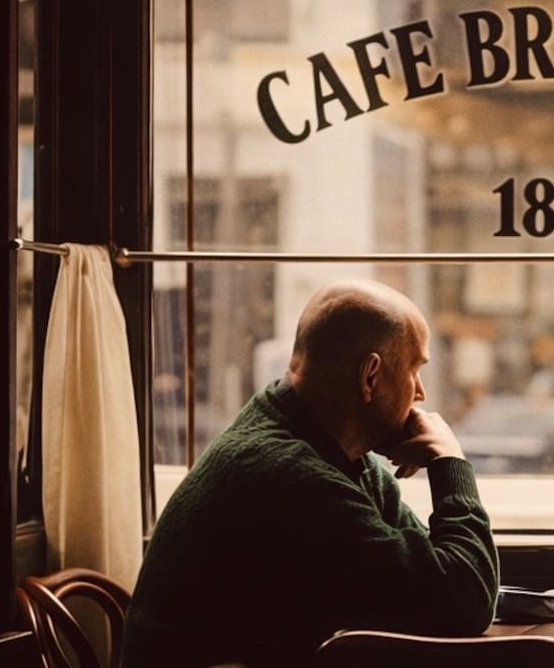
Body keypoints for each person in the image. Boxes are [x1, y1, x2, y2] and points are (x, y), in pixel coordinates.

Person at [122, 278, 499, 668]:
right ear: (370, 376)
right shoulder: (290, 477)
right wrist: (449, 461)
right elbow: (464, 602)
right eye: (414, 370)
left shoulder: (340, 458)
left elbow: (437, 580)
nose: (419, 393)